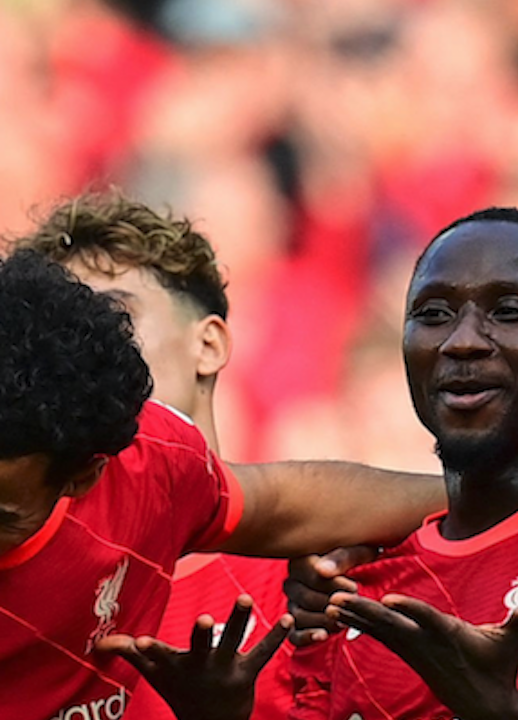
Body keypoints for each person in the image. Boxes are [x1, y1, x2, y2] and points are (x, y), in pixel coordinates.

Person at [0, 248, 444, 720]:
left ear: (83, 476)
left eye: (3, 515)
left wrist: (480, 499)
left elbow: (280, 503)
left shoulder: (152, 465)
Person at [275, 208, 518, 720]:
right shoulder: (356, 590)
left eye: (508, 312)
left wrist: (496, 710)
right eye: (434, 314)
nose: (462, 341)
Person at [10, 193, 293, 720]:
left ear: (208, 345)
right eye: (56, 334)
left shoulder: (308, 581)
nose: (79, 353)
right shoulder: (20, 577)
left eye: (111, 315)